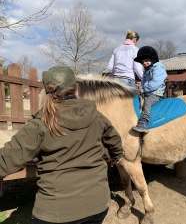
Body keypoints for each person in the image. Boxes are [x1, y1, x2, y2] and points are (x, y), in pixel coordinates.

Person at [0, 65, 124, 224]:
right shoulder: (96, 116)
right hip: (98, 205)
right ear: (77, 89)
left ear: (47, 92)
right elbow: (114, 141)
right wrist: (116, 157)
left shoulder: (40, 124)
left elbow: (7, 160)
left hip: (56, 213)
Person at [132, 46, 168, 133]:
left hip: (156, 94)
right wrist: (140, 89)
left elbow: (155, 82)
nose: (145, 63)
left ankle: (144, 121)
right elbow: (143, 82)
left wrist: (144, 89)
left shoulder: (158, 68)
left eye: (147, 60)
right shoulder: (147, 70)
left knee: (148, 102)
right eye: (143, 62)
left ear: (153, 59)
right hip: (147, 92)